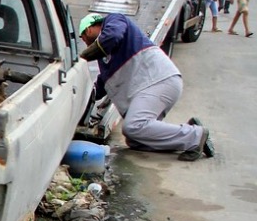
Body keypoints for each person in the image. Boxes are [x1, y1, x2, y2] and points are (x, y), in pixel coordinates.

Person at [78, 13, 214, 161]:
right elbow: (100, 87)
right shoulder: (105, 60)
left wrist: (81, 58)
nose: (83, 41)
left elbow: (112, 36)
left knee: (134, 126)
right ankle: (186, 133)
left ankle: (196, 136)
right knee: (136, 140)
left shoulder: (114, 20)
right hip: (151, 87)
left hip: (159, 81)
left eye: (82, 36)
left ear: (89, 29)